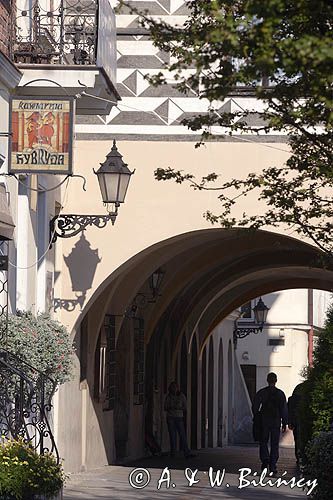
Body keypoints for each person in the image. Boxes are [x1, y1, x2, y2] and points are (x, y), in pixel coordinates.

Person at [252, 372, 288, 475]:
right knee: (274, 444)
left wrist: (257, 416)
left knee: (263, 442)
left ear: (267, 380)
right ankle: (273, 465)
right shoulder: (280, 394)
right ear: (276, 381)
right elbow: (284, 409)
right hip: (276, 422)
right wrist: (284, 422)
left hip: (264, 421)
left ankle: (265, 459)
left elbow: (255, 406)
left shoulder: (262, 392)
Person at [164, 381, 195, 458]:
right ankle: (173, 453)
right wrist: (170, 407)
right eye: (172, 387)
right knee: (172, 436)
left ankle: (186, 452)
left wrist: (178, 408)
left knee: (182, 435)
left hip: (179, 417)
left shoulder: (182, 396)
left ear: (177, 388)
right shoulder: (169, 397)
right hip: (170, 417)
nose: (174, 389)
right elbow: (165, 407)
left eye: (175, 387)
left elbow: (185, 407)